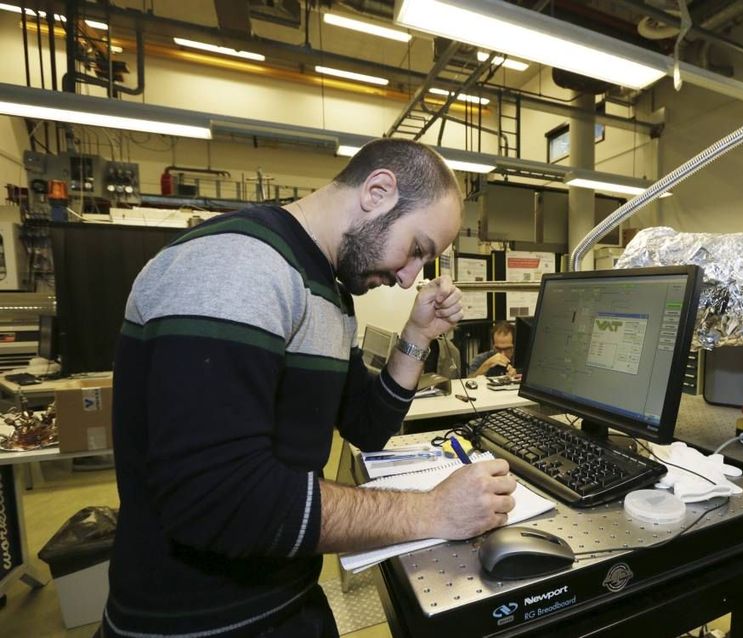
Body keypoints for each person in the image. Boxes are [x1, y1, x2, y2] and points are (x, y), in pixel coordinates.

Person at [103, 139, 517, 637]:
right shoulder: (237, 265)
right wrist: (430, 511)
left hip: (285, 596)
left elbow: (368, 425)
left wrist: (417, 335)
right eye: (416, 250)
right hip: (199, 623)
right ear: (378, 192)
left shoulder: (327, 291)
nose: (410, 279)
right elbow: (216, 498)